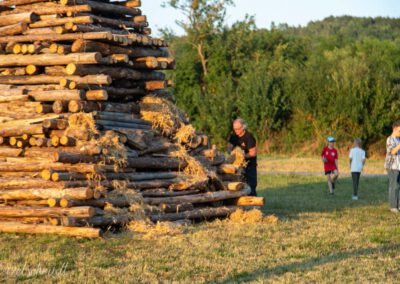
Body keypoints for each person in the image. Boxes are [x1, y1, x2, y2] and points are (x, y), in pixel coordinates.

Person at [228, 118, 257, 196]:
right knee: (238, 184)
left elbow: (253, 153)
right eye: (234, 129)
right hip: (236, 165)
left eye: (238, 129)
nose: (236, 131)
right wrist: (232, 152)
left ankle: (253, 205)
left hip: (249, 164)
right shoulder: (233, 136)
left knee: (251, 185)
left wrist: (242, 156)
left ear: (243, 127)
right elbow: (229, 148)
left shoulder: (249, 136)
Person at [384, 121, 400, 213]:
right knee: (394, 186)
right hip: (392, 166)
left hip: (398, 166)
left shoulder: (398, 140)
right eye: (399, 131)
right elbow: (393, 152)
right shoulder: (389, 139)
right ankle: (393, 206)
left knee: (399, 186)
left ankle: (398, 205)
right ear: (394, 129)